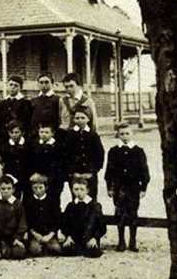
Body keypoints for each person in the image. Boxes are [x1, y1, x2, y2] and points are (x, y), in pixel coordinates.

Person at [105, 121, 150, 252]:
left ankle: (133, 241)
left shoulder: (138, 151)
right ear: (118, 135)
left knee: (133, 213)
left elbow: (144, 171)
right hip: (119, 187)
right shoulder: (113, 151)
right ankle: (121, 241)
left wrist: (143, 188)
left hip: (133, 188)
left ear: (132, 134)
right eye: (122, 134)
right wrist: (110, 187)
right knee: (119, 213)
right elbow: (109, 171)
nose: (124, 136)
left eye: (127, 133)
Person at [63, 107, 104, 199]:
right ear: (73, 120)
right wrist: (71, 171)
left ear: (88, 119)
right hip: (75, 174)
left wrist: (93, 170)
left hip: (89, 173)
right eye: (77, 118)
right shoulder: (70, 135)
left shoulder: (93, 135)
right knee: (76, 197)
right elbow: (66, 154)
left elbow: (99, 154)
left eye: (83, 118)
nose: (80, 120)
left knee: (91, 197)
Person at [61, 178, 105, 258]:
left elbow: (102, 227)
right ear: (72, 190)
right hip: (75, 239)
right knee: (66, 251)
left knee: (93, 252)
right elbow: (65, 224)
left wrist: (95, 238)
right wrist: (68, 236)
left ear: (87, 190)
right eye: (76, 189)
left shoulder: (95, 206)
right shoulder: (71, 206)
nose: (79, 192)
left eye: (82, 189)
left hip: (89, 239)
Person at [0, 177, 27, 259]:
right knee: (4, 252)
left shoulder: (18, 204)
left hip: (14, 236)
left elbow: (22, 224)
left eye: (9, 188)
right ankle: (3, 249)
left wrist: (17, 238)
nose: (6, 191)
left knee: (19, 253)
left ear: (13, 190)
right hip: (0, 237)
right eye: (3, 188)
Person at [24, 173, 62, 256]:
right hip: (35, 234)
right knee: (35, 250)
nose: (38, 190)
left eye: (40, 187)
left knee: (56, 249)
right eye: (35, 188)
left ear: (46, 187)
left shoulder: (52, 201)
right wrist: (35, 234)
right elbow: (28, 220)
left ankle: (47, 246)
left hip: (49, 234)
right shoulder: (29, 202)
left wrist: (50, 235)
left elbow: (57, 220)